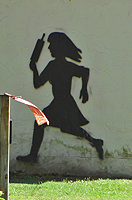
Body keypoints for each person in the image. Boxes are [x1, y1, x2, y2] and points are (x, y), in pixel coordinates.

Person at [17, 32, 104, 163]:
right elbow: (84, 71)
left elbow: (84, 71)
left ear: (59, 47)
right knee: (69, 128)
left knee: (42, 123)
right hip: (61, 102)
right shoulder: (60, 65)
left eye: (51, 45)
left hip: (63, 102)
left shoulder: (56, 65)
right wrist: (34, 69)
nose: (49, 48)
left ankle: (33, 155)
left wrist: (84, 89)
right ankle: (95, 141)